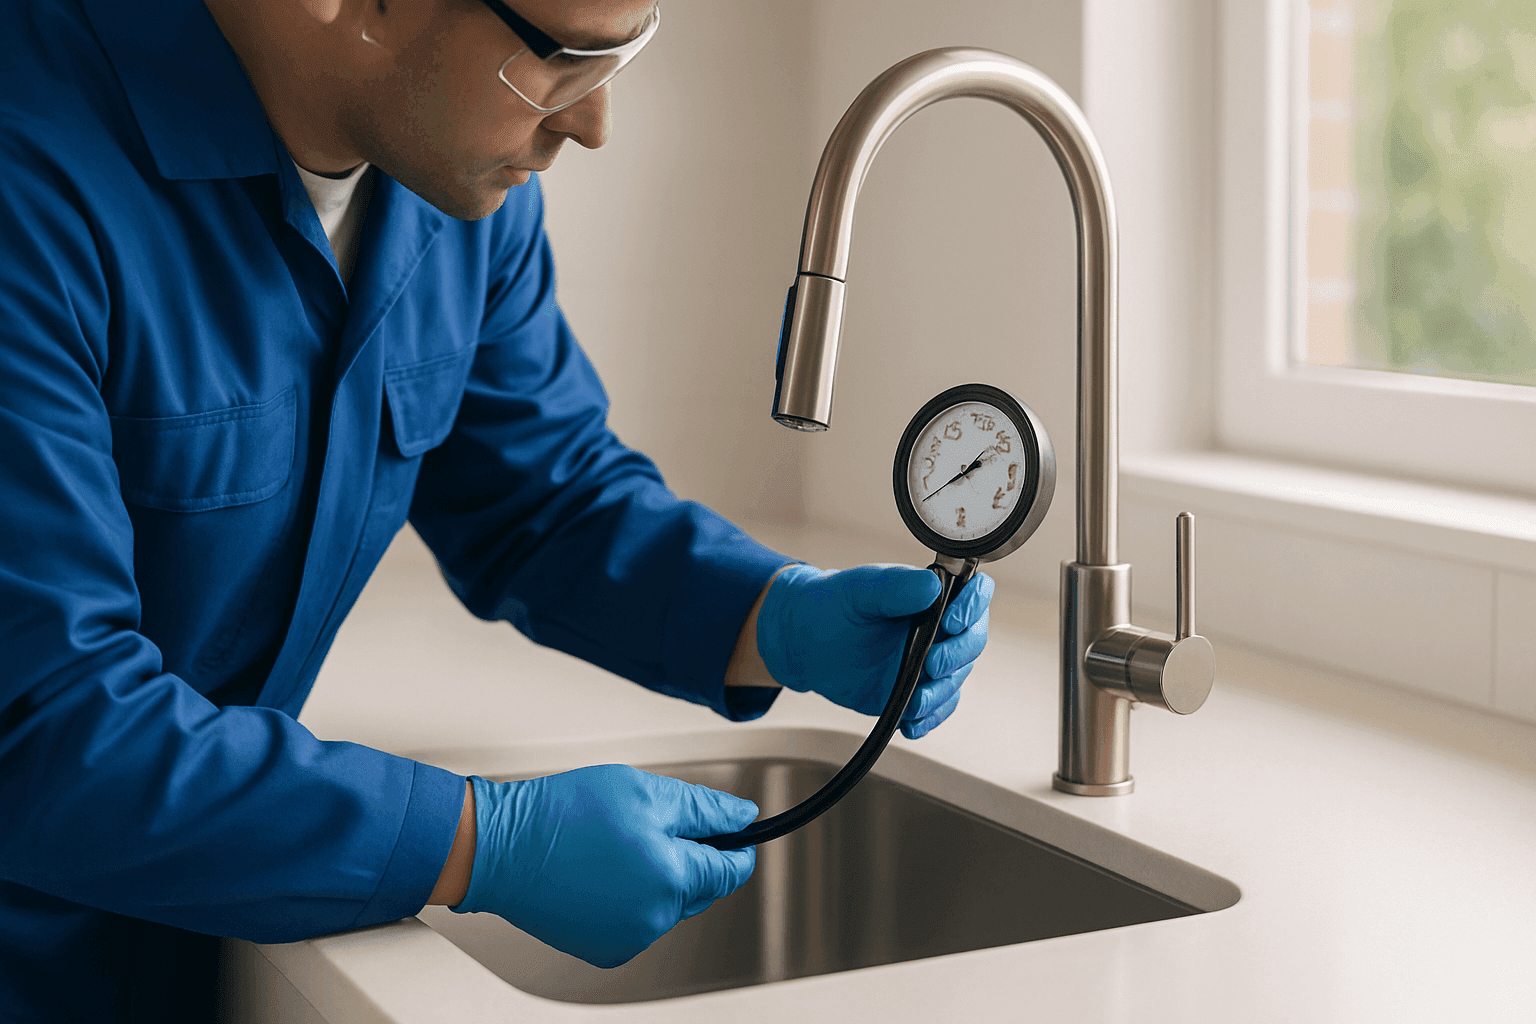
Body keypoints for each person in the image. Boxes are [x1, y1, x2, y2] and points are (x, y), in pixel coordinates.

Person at [0, 0, 995, 1019]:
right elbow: (42, 725)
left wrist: (775, 617)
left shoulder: (442, 168)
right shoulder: (30, 170)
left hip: (181, 929)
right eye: (563, 60)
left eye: (629, 51)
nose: (594, 123)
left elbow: (546, 498)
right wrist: (480, 842)